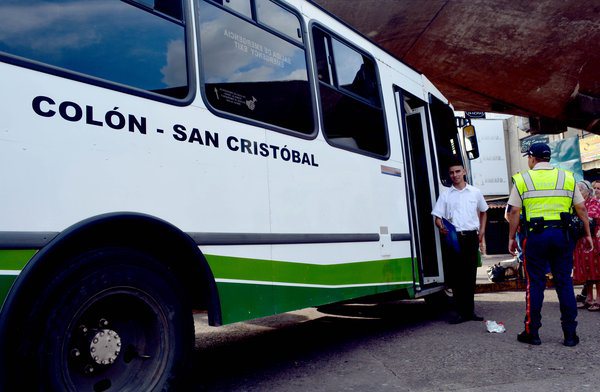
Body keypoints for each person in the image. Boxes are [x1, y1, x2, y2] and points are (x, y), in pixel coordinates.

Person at [506, 142, 593, 347]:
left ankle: (532, 332)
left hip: (535, 237)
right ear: (549, 158)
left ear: (531, 158)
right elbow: (581, 209)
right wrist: (587, 234)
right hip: (563, 237)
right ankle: (570, 335)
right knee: (564, 283)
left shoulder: (522, 179)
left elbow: (513, 212)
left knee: (535, 284)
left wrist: (511, 237)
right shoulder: (567, 177)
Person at [432, 160, 488, 324]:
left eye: (457, 171)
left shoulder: (475, 192)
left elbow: (484, 211)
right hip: (454, 238)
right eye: (451, 173)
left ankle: (470, 312)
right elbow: (437, 217)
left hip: (471, 237)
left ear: (464, 171)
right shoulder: (446, 195)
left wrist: (482, 231)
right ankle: (459, 312)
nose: (455, 175)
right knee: (457, 276)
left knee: (470, 275)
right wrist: (441, 226)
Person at [572, 181, 600, 311]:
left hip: (593, 241)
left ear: (588, 191)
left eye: (580, 191)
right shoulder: (578, 205)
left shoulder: (594, 203)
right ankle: (588, 298)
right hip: (581, 242)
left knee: (597, 272)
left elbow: (591, 220)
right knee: (586, 271)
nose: (578, 194)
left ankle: (599, 299)